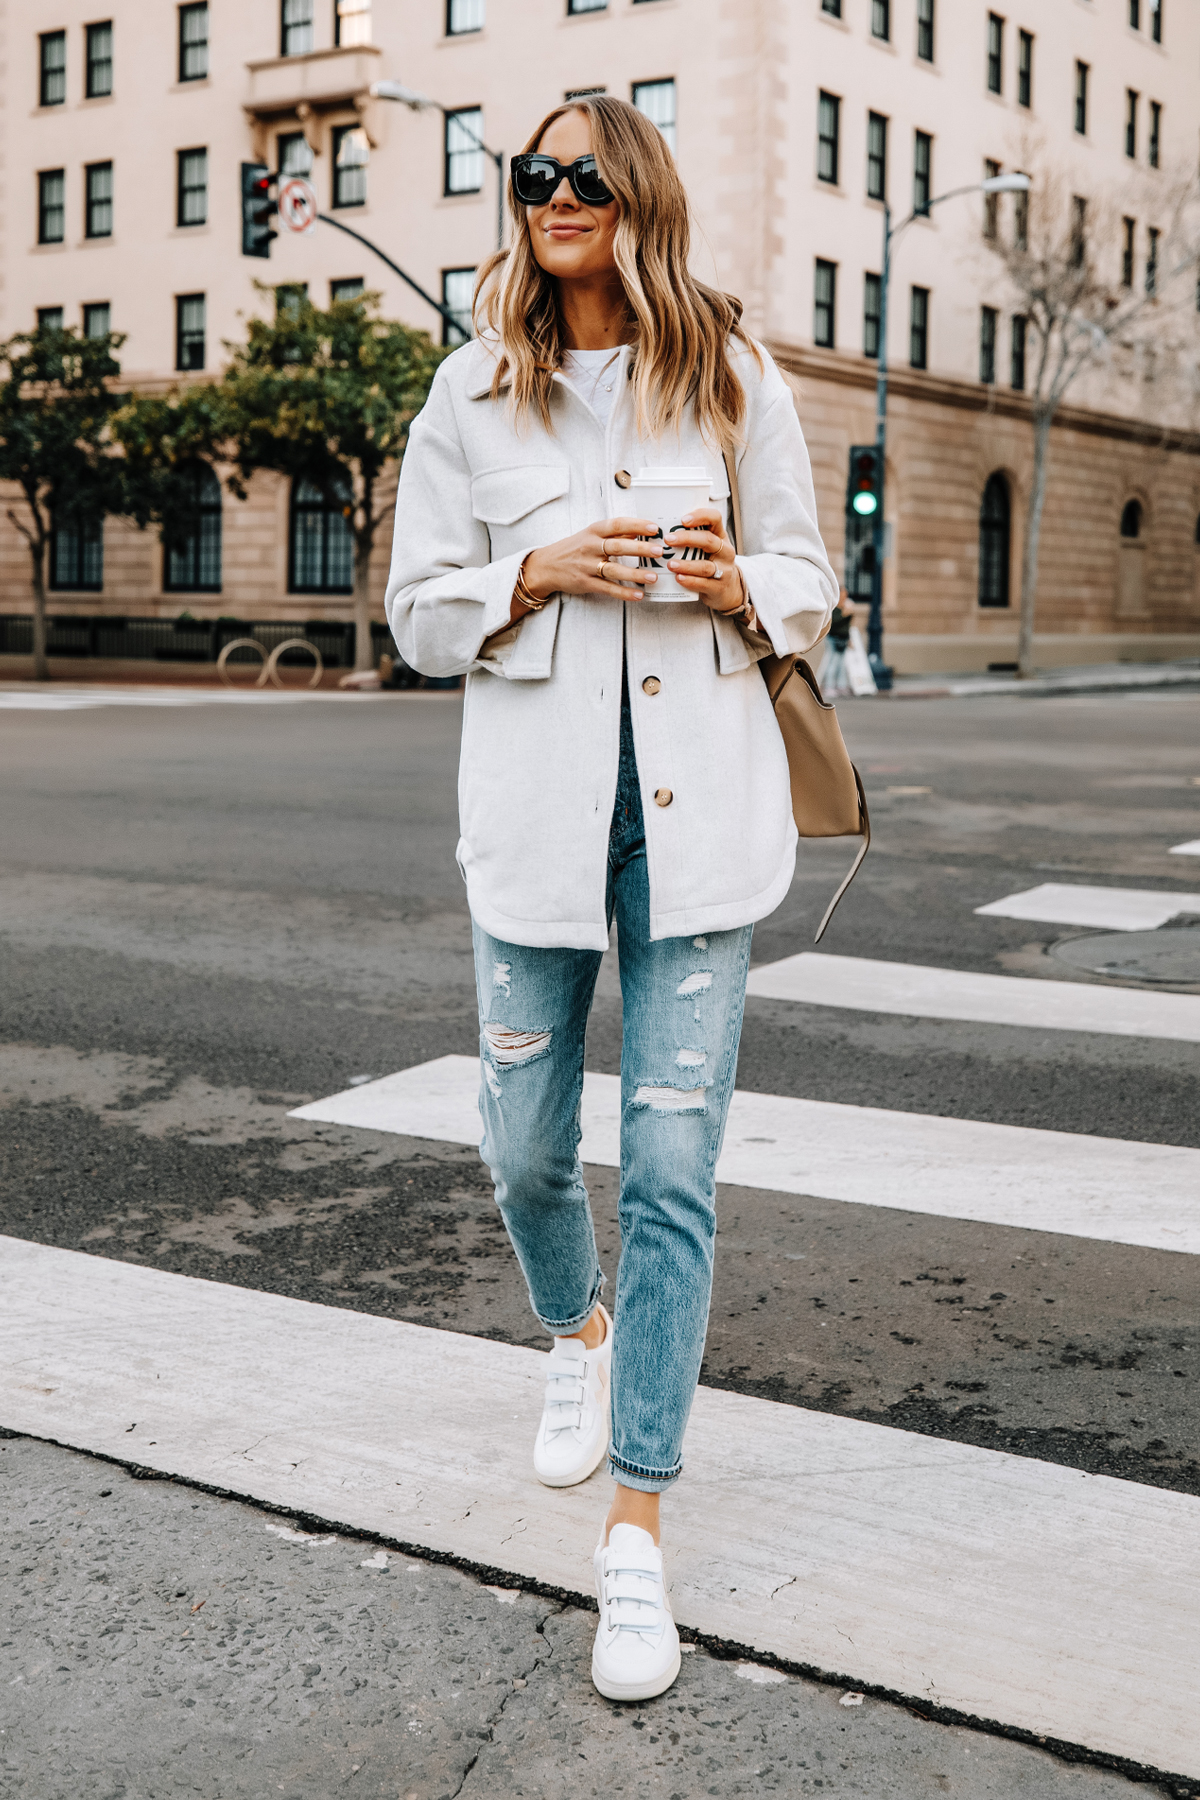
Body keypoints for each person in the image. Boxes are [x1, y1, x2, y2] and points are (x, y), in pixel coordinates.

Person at [386, 95, 836, 1704]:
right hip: (533, 831)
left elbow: (807, 570)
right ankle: (569, 1330)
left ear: (634, 193)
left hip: (697, 828)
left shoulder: (733, 373)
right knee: (521, 1149)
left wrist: (744, 584)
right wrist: (533, 573)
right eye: (535, 176)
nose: (556, 195)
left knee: (669, 1167)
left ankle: (637, 1529)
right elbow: (415, 615)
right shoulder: (470, 391)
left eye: (584, 173)